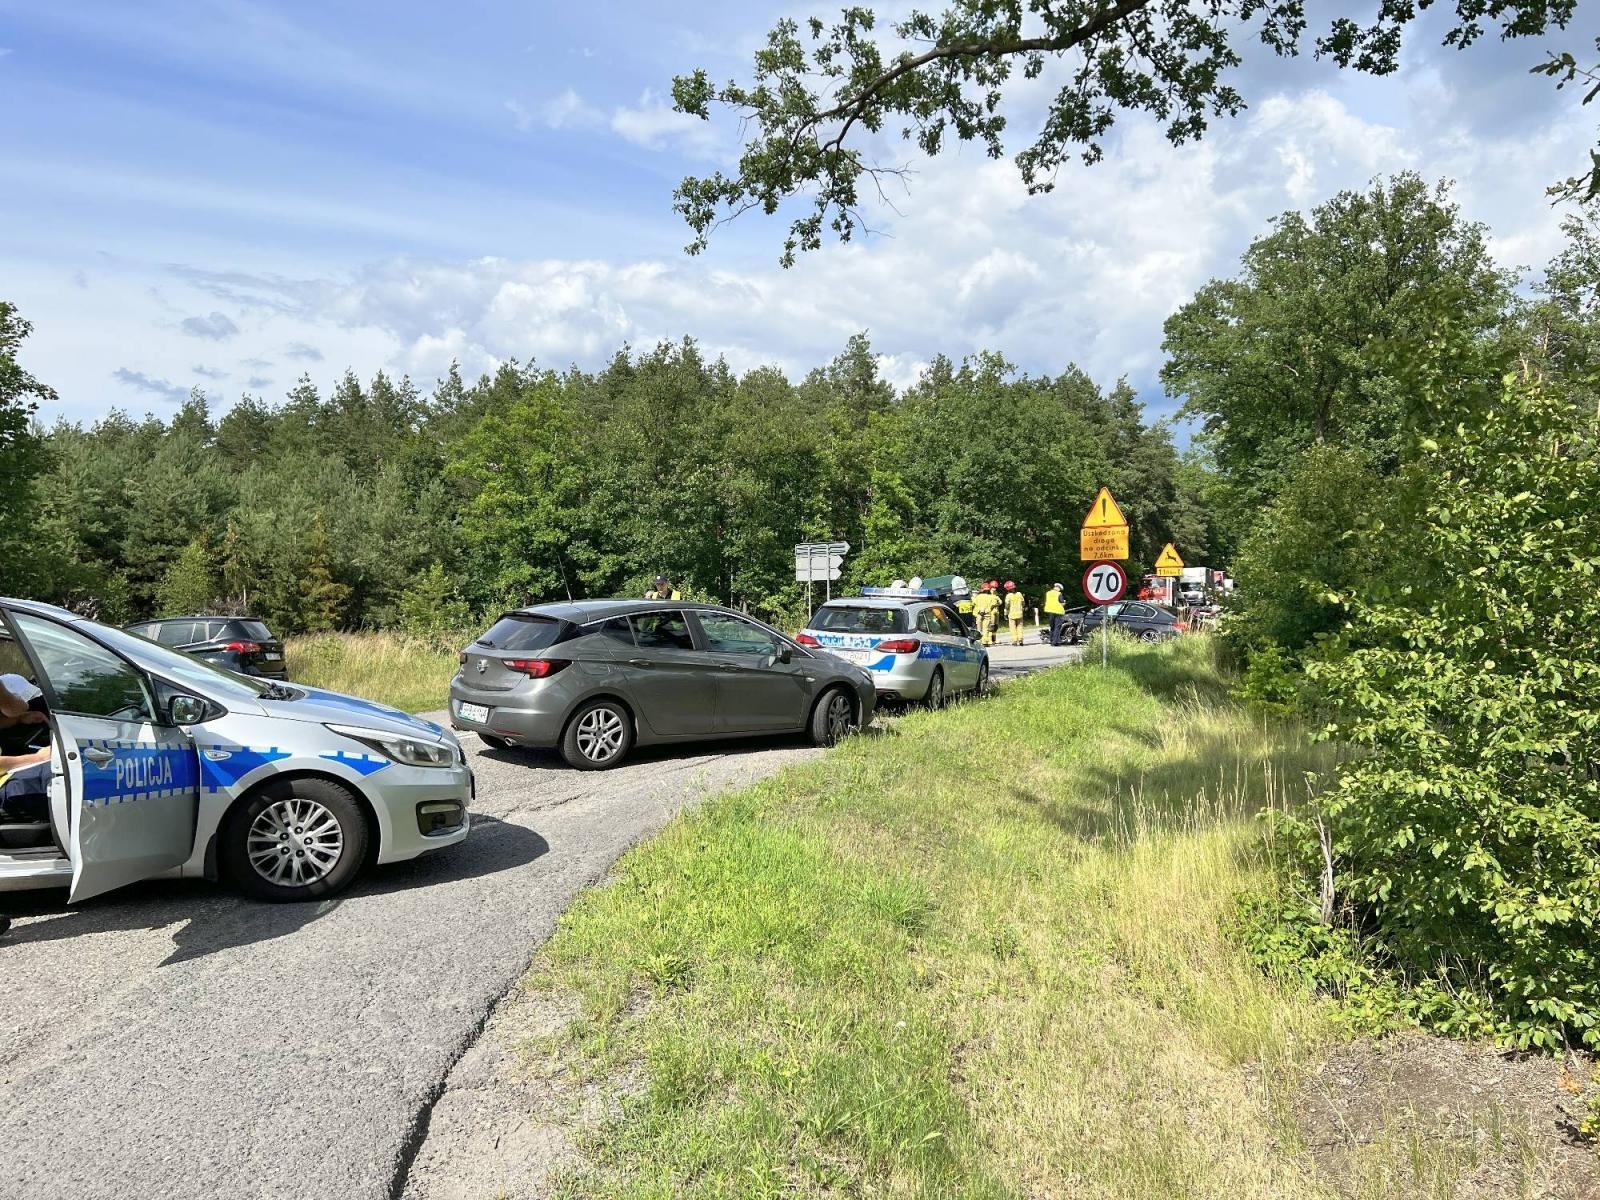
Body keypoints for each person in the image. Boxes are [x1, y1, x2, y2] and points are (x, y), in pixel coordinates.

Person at [971, 580, 1001, 647]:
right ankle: (985, 642)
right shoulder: (991, 597)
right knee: (986, 629)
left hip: (979, 614)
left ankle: (979, 642)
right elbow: (994, 604)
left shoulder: (978, 597)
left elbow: (973, 603)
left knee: (979, 629)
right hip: (987, 614)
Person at [1003, 580, 1025, 646]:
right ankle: (1020, 639)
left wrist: (1005, 613)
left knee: (1013, 628)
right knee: (1020, 627)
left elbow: (1007, 606)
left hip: (1012, 614)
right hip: (1020, 613)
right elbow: (1023, 603)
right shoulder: (1019, 594)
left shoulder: (1008, 596)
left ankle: (1015, 640)